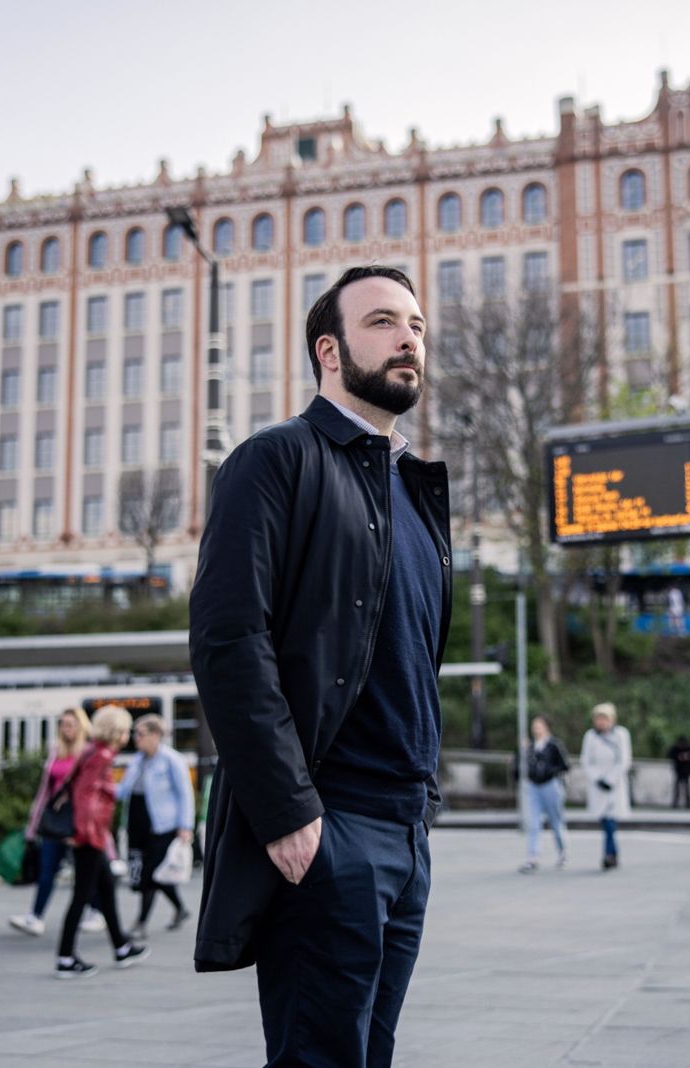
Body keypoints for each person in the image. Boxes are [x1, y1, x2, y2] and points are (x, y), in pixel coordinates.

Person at [189, 265, 451, 1067]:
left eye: (416, 324)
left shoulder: (414, 489)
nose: (409, 338)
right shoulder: (274, 462)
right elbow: (229, 642)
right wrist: (290, 814)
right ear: (329, 350)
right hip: (328, 826)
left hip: (405, 829)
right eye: (383, 322)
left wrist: (422, 809)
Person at [54, 705, 148, 978]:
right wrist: (85, 835)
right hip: (89, 837)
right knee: (81, 896)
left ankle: (120, 947)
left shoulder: (93, 751)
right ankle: (65, 958)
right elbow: (85, 798)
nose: (128, 735)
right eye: (126, 729)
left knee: (106, 889)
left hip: (90, 835)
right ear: (116, 731)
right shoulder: (102, 755)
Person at [9, 707, 107, 937]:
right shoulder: (56, 750)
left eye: (71, 724)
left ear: (81, 726)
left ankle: (97, 911)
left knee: (84, 871)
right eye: (63, 724)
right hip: (54, 822)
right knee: (47, 871)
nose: (66, 728)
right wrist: (34, 821)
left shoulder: (88, 751)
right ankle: (35, 917)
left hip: (77, 823)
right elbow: (45, 790)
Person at [118, 713, 195, 942]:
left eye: (140, 734)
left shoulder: (171, 760)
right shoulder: (137, 761)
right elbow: (123, 790)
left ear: (155, 735)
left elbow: (185, 795)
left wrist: (185, 826)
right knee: (149, 874)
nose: (136, 738)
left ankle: (141, 922)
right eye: (134, 733)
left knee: (152, 874)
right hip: (137, 822)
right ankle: (180, 908)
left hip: (162, 825)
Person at [582, 703, 632, 870]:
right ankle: (613, 853)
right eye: (598, 718)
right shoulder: (590, 736)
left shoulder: (621, 734)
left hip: (615, 784)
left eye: (605, 718)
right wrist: (598, 779)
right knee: (605, 820)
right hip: (598, 785)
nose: (601, 722)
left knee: (611, 820)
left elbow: (624, 760)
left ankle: (609, 854)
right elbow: (586, 761)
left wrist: (610, 779)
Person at [518, 715, 569, 873]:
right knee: (533, 823)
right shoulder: (530, 746)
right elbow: (520, 764)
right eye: (534, 725)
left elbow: (565, 765)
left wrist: (549, 771)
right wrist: (524, 750)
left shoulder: (554, 745)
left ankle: (562, 852)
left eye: (539, 725)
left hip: (550, 786)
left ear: (546, 727)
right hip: (534, 786)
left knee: (556, 821)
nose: (536, 728)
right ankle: (532, 857)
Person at [668, 734, 690, 809]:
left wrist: (686, 757)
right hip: (679, 770)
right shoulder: (676, 749)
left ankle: (688, 803)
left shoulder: (689, 748)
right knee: (677, 788)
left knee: (687, 788)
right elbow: (671, 755)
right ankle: (675, 803)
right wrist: (680, 757)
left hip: (686, 771)